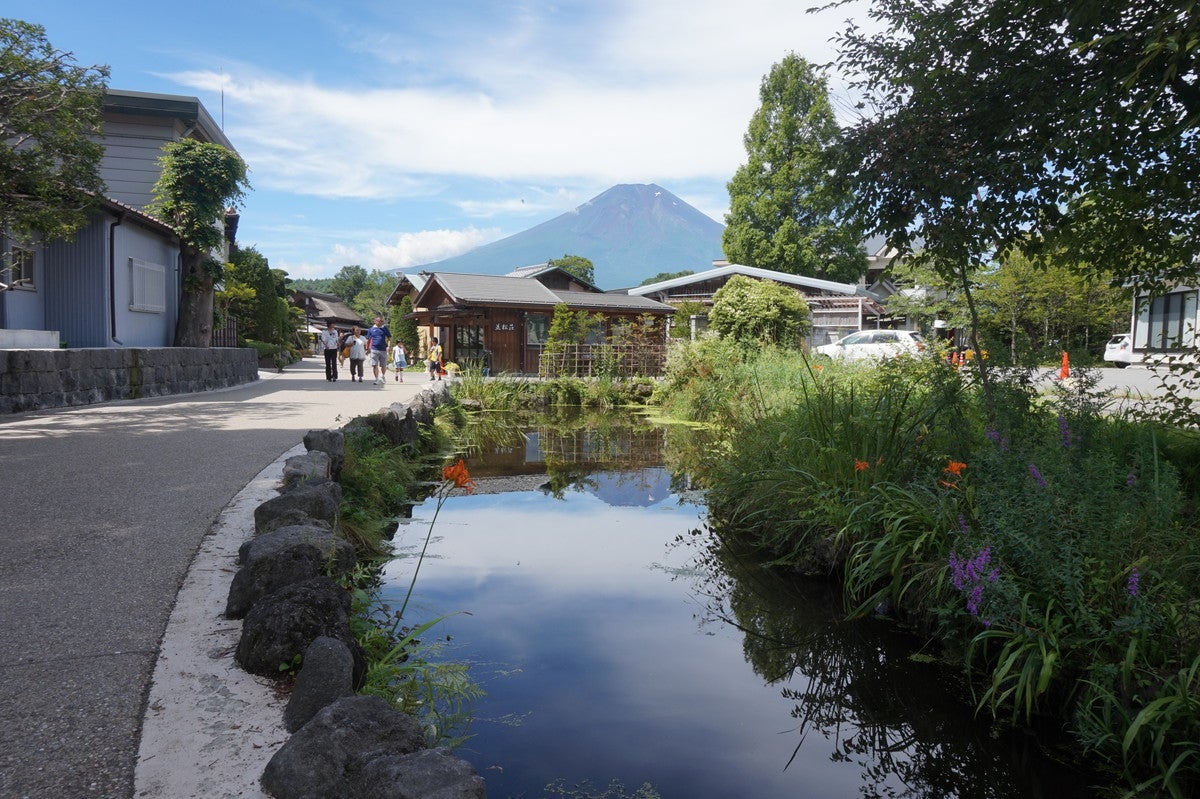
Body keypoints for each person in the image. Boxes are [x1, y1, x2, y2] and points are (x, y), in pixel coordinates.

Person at [366, 315, 391, 385]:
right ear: (375, 321)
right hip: (374, 349)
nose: (380, 322)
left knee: (383, 365)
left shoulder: (385, 328)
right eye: (378, 321)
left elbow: (389, 338)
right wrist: (367, 348)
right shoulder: (371, 329)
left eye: (381, 321)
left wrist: (388, 346)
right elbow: (368, 339)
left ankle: (383, 376)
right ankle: (376, 379)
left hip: (383, 349)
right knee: (374, 365)